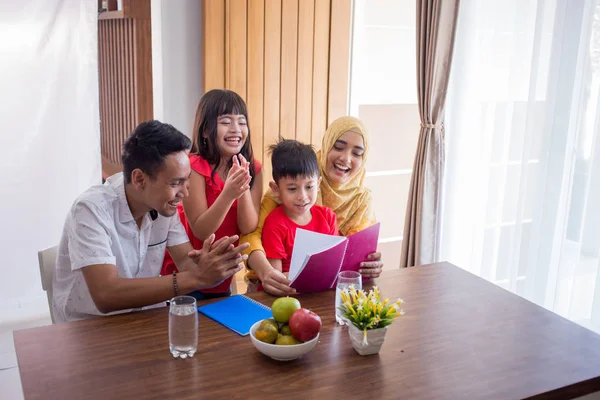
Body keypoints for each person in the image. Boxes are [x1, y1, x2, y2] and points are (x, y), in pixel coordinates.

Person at [52, 120, 248, 323]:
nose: (185, 192)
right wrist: (196, 278)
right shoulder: (91, 209)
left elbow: (185, 261)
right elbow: (106, 295)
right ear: (139, 179)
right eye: (175, 183)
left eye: (187, 180)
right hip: (88, 327)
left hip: (145, 318)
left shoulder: (165, 207)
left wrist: (208, 263)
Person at [242, 116, 384, 295]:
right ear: (326, 146)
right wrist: (268, 272)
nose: (346, 158)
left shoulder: (360, 199)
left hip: (326, 290)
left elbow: (349, 256)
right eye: (338, 147)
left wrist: (369, 264)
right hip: (275, 288)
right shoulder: (288, 183)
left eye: (357, 153)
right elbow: (251, 234)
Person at [160, 89, 262, 300]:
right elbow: (201, 229)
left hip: (222, 270)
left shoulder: (254, 168)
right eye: (226, 122)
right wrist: (229, 193)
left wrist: (241, 184)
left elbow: (247, 226)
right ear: (205, 130)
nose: (236, 129)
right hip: (188, 268)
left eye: (242, 122)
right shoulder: (193, 167)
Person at [262, 139, 337, 278]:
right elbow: (275, 278)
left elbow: (334, 263)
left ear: (318, 184)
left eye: (309, 187)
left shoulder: (328, 217)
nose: (302, 197)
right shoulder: (274, 225)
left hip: (321, 291)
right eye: (292, 189)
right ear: (276, 189)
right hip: (285, 295)